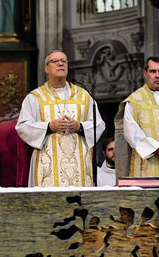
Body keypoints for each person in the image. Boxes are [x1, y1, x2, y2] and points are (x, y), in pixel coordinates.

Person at [16, 50, 105, 187]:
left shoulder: (84, 95)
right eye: (55, 61)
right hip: (47, 162)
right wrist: (48, 127)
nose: (60, 64)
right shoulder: (35, 97)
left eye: (63, 61)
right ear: (46, 68)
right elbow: (23, 126)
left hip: (79, 162)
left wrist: (80, 127)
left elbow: (99, 124)